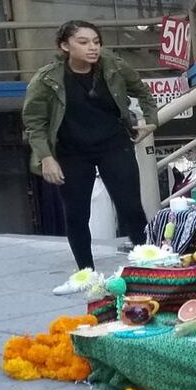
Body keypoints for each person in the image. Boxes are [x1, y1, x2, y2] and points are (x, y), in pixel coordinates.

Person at [21, 20, 158, 293]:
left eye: (96, 41)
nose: (92, 47)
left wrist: (151, 121)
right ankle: (85, 274)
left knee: (131, 207)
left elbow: (142, 91)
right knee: (76, 213)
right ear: (65, 46)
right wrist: (46, 157)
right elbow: (34, 122)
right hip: (71, 151)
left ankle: (148, 267)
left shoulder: (114, 66)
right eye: (83, 42)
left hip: (113, 144)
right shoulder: (47, 79)